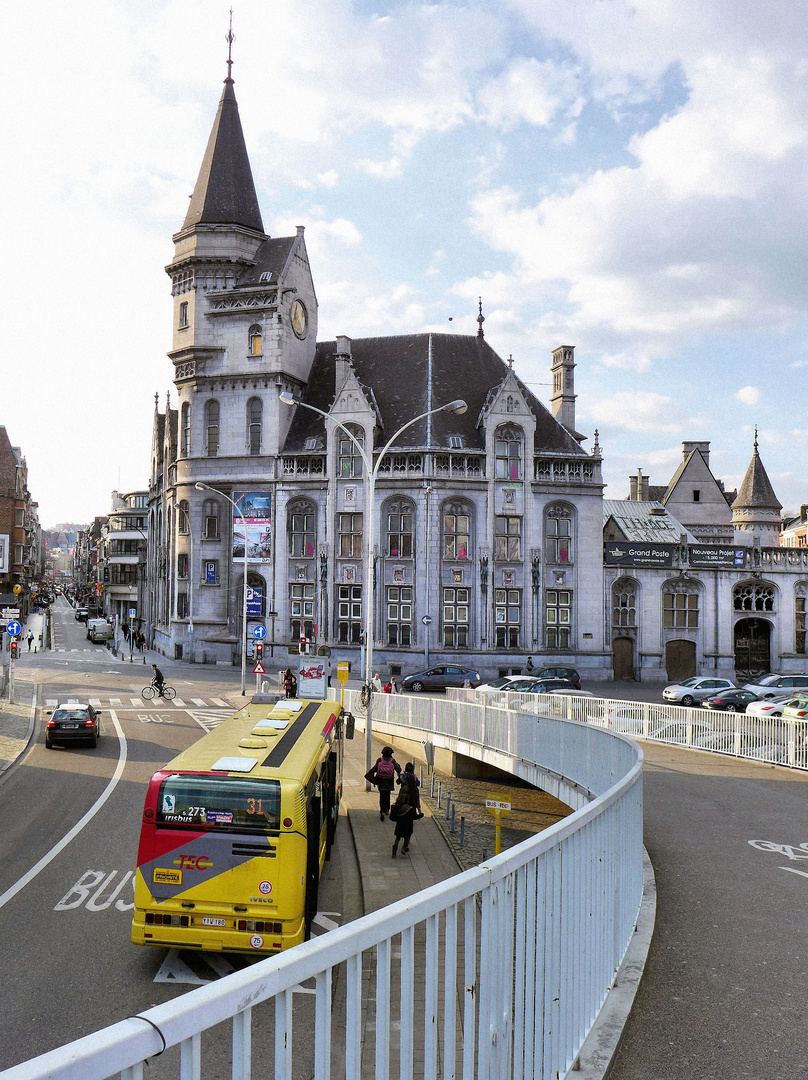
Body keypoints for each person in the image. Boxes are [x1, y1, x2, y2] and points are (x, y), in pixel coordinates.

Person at [391, 764, 421, 858]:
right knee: (408, 833)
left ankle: (394, 850)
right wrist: (419, 811)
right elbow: (417, 801)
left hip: (402, 813)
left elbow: (399, 798)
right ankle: (405, 847)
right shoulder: (415, 790)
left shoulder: (404, 788)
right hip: (410, 813)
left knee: (398, 835)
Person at [366, 746, 401, 820]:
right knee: (387, 796)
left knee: (382, 796)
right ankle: (387, 810)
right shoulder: (392, 761)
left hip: (381, 781)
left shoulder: (379, 760)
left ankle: (382, 811)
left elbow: (375, 769)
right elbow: (398, 769)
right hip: (389, 781)